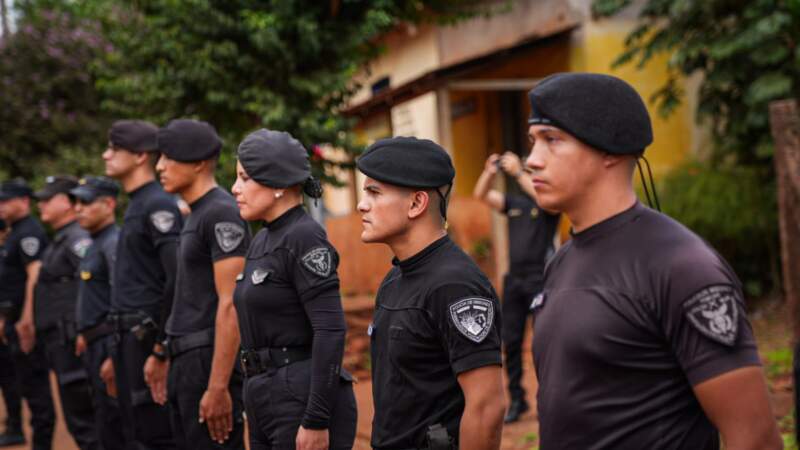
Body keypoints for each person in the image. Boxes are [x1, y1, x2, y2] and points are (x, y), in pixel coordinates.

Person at [524, 72, 783, 449]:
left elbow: (755, 437)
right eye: (533, 142)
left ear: (609, 149)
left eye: (552, 141)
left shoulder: (681, 266)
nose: (532, 160)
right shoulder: (560, 262)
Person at [356, 136, 506, 450]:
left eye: (374, 192)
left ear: (416, 203)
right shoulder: (396, 276)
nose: (362, 204)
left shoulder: (455, 284)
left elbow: (486, 407)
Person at [231, 129, 357, 450]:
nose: (235, 189)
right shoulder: (263, 238)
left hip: (297, 392)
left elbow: (330, 328)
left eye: (245, 178)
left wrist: (316, 418)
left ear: (276, 185)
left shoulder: (304, 236)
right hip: (263, 391)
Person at [156, 119, 249, 448]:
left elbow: (230, 304)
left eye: (169, 158)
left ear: (198, 163)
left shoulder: (221, 213)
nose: (159, 166)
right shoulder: (196, 213)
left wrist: (217, 386)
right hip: (186, 359)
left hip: (206, 360)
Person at [103, 119, 181, 449]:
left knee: (156, 434)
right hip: (127, 339)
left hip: (147, 338)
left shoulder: (158, 203)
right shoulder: (137, 203)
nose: (106, 155)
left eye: (114, 148)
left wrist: (161, 347)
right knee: (135, 431)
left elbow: (176, 279)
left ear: (140, 156)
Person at [473, 151, 559, 423]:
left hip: (541, 280)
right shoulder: (515, 204)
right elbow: (482, 195)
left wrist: (519, 172)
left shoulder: (548, 204)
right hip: (514, 281)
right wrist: (489, 172)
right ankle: (517, 400)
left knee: (545, 342)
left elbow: (539, 193)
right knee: (510, 342)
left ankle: (551, 400)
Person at [31, 176, 98, 450]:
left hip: (72, 340)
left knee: (85, 419)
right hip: (61, 340)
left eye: (48, 199)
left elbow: (93, 283)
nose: (41, 205)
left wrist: (83, 327)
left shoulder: (77, 239)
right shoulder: (62, 238)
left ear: (67, 201)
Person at [0, 179, 56, 450]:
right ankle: (21, 431)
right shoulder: (14, 232)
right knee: (18, 381)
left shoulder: (29, 233)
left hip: (26, 324)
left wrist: (26, 319)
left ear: (23, 201)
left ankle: (42, 443)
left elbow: (34, 277)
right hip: (12, 321)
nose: (0, 206)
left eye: (5, 201)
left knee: (35, 389)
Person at [71, 176, 126, 450]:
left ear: (109, 204)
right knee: (103, 423)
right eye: (76, 202)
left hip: (108, 346)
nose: (78, 208)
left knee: (116, 427)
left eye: (86, 202)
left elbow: (121, 300)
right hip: (94, 344)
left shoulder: (112, 243)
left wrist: (114, 356)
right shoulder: (95, 243)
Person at [0, 217, 25, 447]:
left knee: (9, 378)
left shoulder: (6, 257)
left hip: (6, 326)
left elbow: (11, 292)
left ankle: (15, 425)